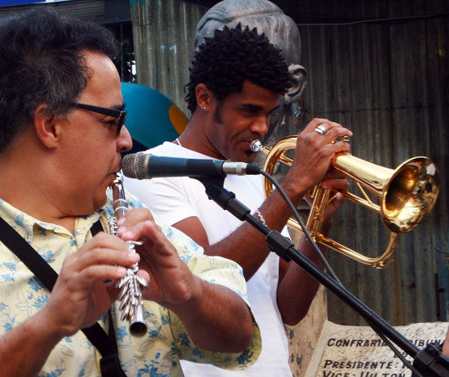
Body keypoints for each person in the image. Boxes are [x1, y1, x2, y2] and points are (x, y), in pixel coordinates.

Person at [0, 9, 262, 377]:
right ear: (49, 125)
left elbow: (240, 338)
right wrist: (48, 325)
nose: (127, 141)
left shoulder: (130, 218)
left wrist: (190, 294)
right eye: (114, 121)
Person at [124, 24, 353, 377]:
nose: (262, 127)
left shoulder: (253, 181)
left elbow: (290, 309)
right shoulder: (151, 175)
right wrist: (290, 188)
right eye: (249, 111)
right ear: (205, 98)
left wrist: (322, 219)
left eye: (269, 113)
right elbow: (202, 282)